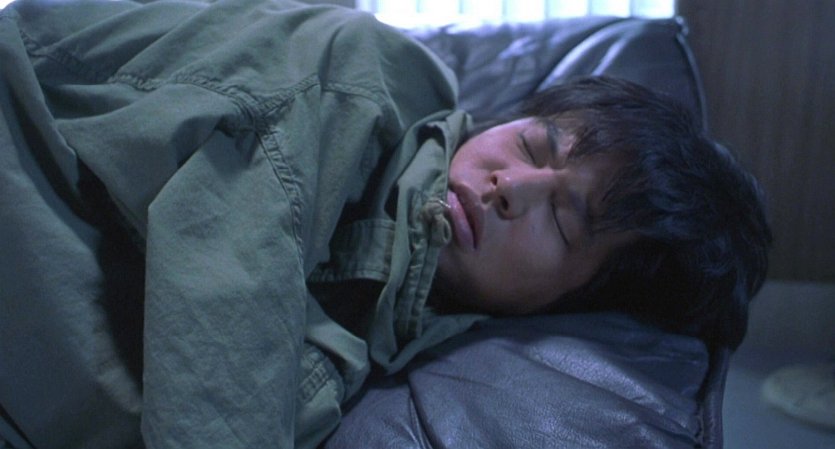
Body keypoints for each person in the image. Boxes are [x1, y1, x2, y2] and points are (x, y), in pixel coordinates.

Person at [0, 0, 770, 448]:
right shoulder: (359, 76)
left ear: (571, 300)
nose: (511, 187)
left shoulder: (396, 316)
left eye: (564, 222)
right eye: (533, 145)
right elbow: (229, 286)